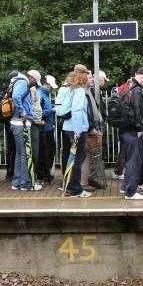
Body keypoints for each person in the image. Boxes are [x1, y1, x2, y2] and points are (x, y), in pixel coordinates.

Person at [56, 68, 93, 198]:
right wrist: (78, 131)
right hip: (76, 129)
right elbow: (77, 111)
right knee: (77, 159)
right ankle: (75, 189)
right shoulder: (79, 91)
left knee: (67, 157)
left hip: (66, 127)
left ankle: (67, 185)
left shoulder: (66, 89)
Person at [118, 67, 143, 200]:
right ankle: (131, 192)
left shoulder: (126, 86)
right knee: (134, 161)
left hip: (124, 129)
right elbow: (138, 113)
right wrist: (140, 128)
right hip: (133, 130)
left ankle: (125, 186)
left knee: (128, 159)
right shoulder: (137, 90)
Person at [9, 70, 40, 191]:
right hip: (21, 122)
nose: (35, 85)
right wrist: (23, 112)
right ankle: (25, 183)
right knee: (25, 154)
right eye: (35, 82)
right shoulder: (23, 82)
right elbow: (16, 97)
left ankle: (16, 182)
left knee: (19, 153)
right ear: (31, 78)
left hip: (16, 122)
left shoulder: (17, 81)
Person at [38, 75, 58, 184]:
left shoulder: (45, 94)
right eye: (51, 86)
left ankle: (46, 173)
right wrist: (52, 110)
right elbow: (39, 112)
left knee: (50, 152)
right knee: (45, 153)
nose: (51, 88)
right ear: (46, 84)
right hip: (43, 128)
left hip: (48, 128)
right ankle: (43, 175)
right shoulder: (40, 94)